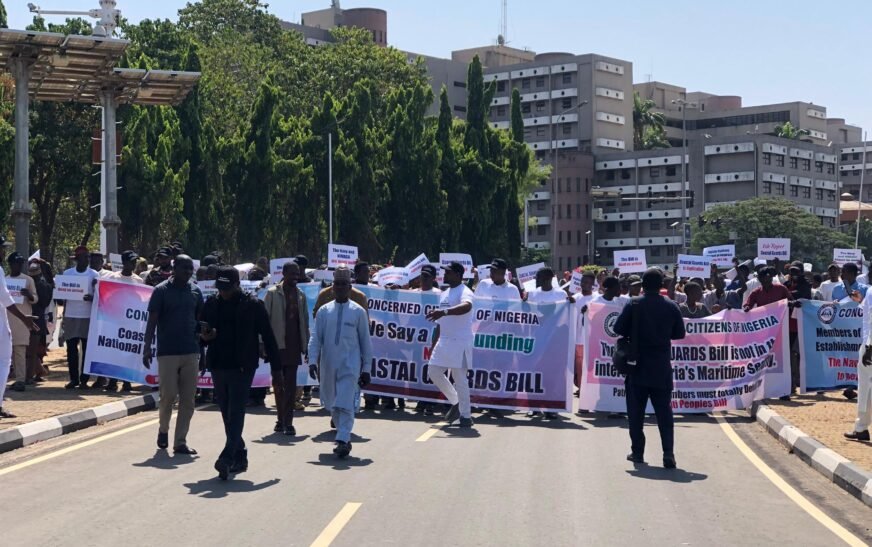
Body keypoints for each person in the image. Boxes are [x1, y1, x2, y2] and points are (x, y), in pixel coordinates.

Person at [201, 266, 280, 478]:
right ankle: (240, 454)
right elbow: (200, 330)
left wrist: (277, 368)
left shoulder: (253, 305)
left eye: (227, 288)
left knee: (236, 411)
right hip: (219, 364)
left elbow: (269, 336)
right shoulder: (211, 303)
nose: (223, 292)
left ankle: (227, 457)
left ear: (237, 285)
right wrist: (205, 336)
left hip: (243, 367)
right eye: (220, 288)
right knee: (226, 413)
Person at [614, 268, 686, 468]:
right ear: (662, 285)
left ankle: (637, 453)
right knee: (664, 412)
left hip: (637, 366)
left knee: (635, 413)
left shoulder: (634, 303)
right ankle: (668, 453)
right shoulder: (671, 306)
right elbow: (679, 334)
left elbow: (617, 329)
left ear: (642, 285)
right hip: (661, 366)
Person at [308, 267, 373, 458]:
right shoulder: (324, 312)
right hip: (328, 364)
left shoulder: (358, 311)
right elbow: (315, 338)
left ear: (350, 287)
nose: (341, 287)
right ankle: (341, 432)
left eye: (344, 284)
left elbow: (365, 342)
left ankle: (343, 439)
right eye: (337, 284)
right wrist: (312, 361)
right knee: (333, 402)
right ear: (333, 287)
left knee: (345, 400)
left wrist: (367, 368)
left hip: (350, 364)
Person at [142, 255, 203, 455]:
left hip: (191, 351)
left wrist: (202, 350)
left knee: (188, 400)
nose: (188, 272)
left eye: (190, 268)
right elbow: (152, 321)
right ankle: (163, 430)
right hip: (167, 352)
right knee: (168, 396)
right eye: (184, 268)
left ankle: (180, 442)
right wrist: (147, 346)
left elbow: (200, 323)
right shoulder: (161, 291)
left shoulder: (195, 291)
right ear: (174, 268)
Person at [424, 262, 475, 428]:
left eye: (449, 272)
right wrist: (434, 342)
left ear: (459, 275)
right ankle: (456, 402)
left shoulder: (465, 291)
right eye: (445, 272)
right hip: (444, 340)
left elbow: (467, 307)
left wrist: (444, 311)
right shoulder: (444, 293)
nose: (445, 275)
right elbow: (441, 321)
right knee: (433, 371)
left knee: (460, 378)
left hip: (460, 341)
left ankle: (466, 416)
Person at [263, 261, 309, 436]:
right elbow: (264, 320)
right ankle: (280, 418)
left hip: (294, 346)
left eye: (297, 274)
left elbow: (304, 321)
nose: (295, 277)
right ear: (283, 274)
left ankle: (288, 422)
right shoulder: (272, 293)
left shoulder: (301, 295)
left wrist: (306, 345)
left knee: (290, 386)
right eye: (292, 274)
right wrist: (262, 343)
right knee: (278, 384)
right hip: (276, 346)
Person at [0, 237, 37, 419]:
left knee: (13, 355)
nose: (3, 252)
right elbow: (6, 299)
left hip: (6, 320)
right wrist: (25, 319)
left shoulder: (27, 279)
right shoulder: (0, 271)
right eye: (2, 249)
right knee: (4, 361)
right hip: (4, 322)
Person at [61, 246, 100, 389]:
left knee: (86, 348)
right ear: (77, 259)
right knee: (71, 348)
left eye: (88, 257)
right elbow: (63, 297)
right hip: (71, 315)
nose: (87, 259)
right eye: (84, 257)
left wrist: (92, 297)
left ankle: (84, 379)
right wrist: (64, 315)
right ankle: (74, 379)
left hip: (87, 316)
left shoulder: (94, 275)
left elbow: (100, 295)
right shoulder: (67, 274)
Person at [5, 252, 37, 392]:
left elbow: (35, 298)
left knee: (19, 352)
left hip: (22, 321)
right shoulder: (4, 280)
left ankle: (20, 381)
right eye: (16, 263)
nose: (18, 265)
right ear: (10, 264)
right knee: (7, 353)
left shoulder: (28, 280)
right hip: (6, 320)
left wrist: (29, 295)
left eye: (20, 263)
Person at [846, 290, 872, 441]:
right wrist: (861, 301)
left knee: (866, 388)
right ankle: (861, 426)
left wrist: (869, 347)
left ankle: (861, 427)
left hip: (870, 346)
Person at [26, 260, 53, 383]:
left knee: (32, 350)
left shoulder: (44, 286)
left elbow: (43, 303)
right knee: (28, 349)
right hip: (26, 318)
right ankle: (37, 371)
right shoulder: (26, 283)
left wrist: (31, 296)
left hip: (37, 320)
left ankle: (32, 374)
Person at [572, 272, 597, 392]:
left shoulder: (596, 298)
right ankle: (582, 389)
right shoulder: (575, 298)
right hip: (577, 339)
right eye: (583, 281)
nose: (584, 284)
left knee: (590, 367)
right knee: (579, 367)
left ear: (592, 284)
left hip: (591, 340)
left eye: (587, 282)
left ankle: (588, 390)